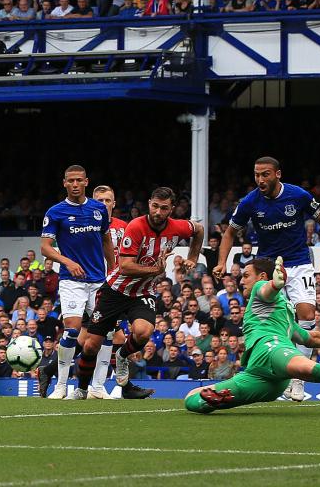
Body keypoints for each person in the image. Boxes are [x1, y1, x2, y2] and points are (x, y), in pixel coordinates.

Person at [184, 256, 320, 417]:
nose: (242, 280)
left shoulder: (262, 290)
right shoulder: (285, 311)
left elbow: (268, 292)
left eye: (245, 276)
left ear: (262, 276)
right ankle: (211, 399)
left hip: (269, 350)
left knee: (311, 370)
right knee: (193, 401)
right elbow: (307, 338)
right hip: (261, 376)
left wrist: (274, 284)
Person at [214, 156, 320, 402]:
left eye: (265, 174)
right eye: (256, 175)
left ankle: (297, 378)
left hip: (299, 263)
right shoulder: (250, 202)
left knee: (306, 315)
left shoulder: (299, 196)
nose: (260, 180)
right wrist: (221, 262)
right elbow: (230, 232)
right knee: (276, 321)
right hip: (267, 267)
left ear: (278, 174)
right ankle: (274, 374)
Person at [72, 187, 204, 399]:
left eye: (164, 208)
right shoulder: (136, 226)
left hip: (143, 292)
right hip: (115, 290)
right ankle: (82, 388)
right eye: (155, 206)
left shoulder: (178, 227)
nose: (158, 212)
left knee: (143, 331)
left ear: (171, 209)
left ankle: (122, 355)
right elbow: (124, 266)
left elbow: (198, 230)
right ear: (149, 203)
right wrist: (156, 271)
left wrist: (193, 257)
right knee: (91, 345)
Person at [38, 165, 115, 399]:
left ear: (86, 182)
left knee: (107, 333)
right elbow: (45, 247)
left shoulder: (99, 209)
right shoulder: (55, 212)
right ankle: (61, 386)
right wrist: (68, 262)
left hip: (99, 281)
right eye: (70, 180)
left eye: (78, 180)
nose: (74, 184)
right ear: (64, 183)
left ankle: (98, 387)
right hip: (71, 281)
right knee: (72, 331)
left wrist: (113, 270)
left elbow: (106, 241)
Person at [88, 185, 156, 400]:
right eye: (99, 201)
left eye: (108, 201)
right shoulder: (86, 226)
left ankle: (120, 386)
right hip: (94, 286)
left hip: (122, 288)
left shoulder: (125, 227)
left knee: (113, 337)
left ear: (114, 203)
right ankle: (98, 385)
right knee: (92, 339)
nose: (104, 205)